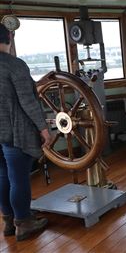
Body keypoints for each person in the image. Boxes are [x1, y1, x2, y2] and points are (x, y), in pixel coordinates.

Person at [0, 23, 51, 241]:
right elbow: (28, 102)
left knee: (2, 176)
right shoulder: (15, 65)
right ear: (9, 38)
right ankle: (24, 222)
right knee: (19, 178)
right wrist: (44, 129)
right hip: (14, 133)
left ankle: (9, 221)